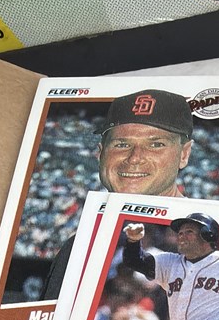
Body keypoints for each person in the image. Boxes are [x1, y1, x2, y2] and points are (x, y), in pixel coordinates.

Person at [41, 89, 195, 299]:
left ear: (184, 154)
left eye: (155, 144)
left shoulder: (202, 238)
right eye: (122, 144)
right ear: (100, 153)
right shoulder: (78, 245)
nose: (135, 158)